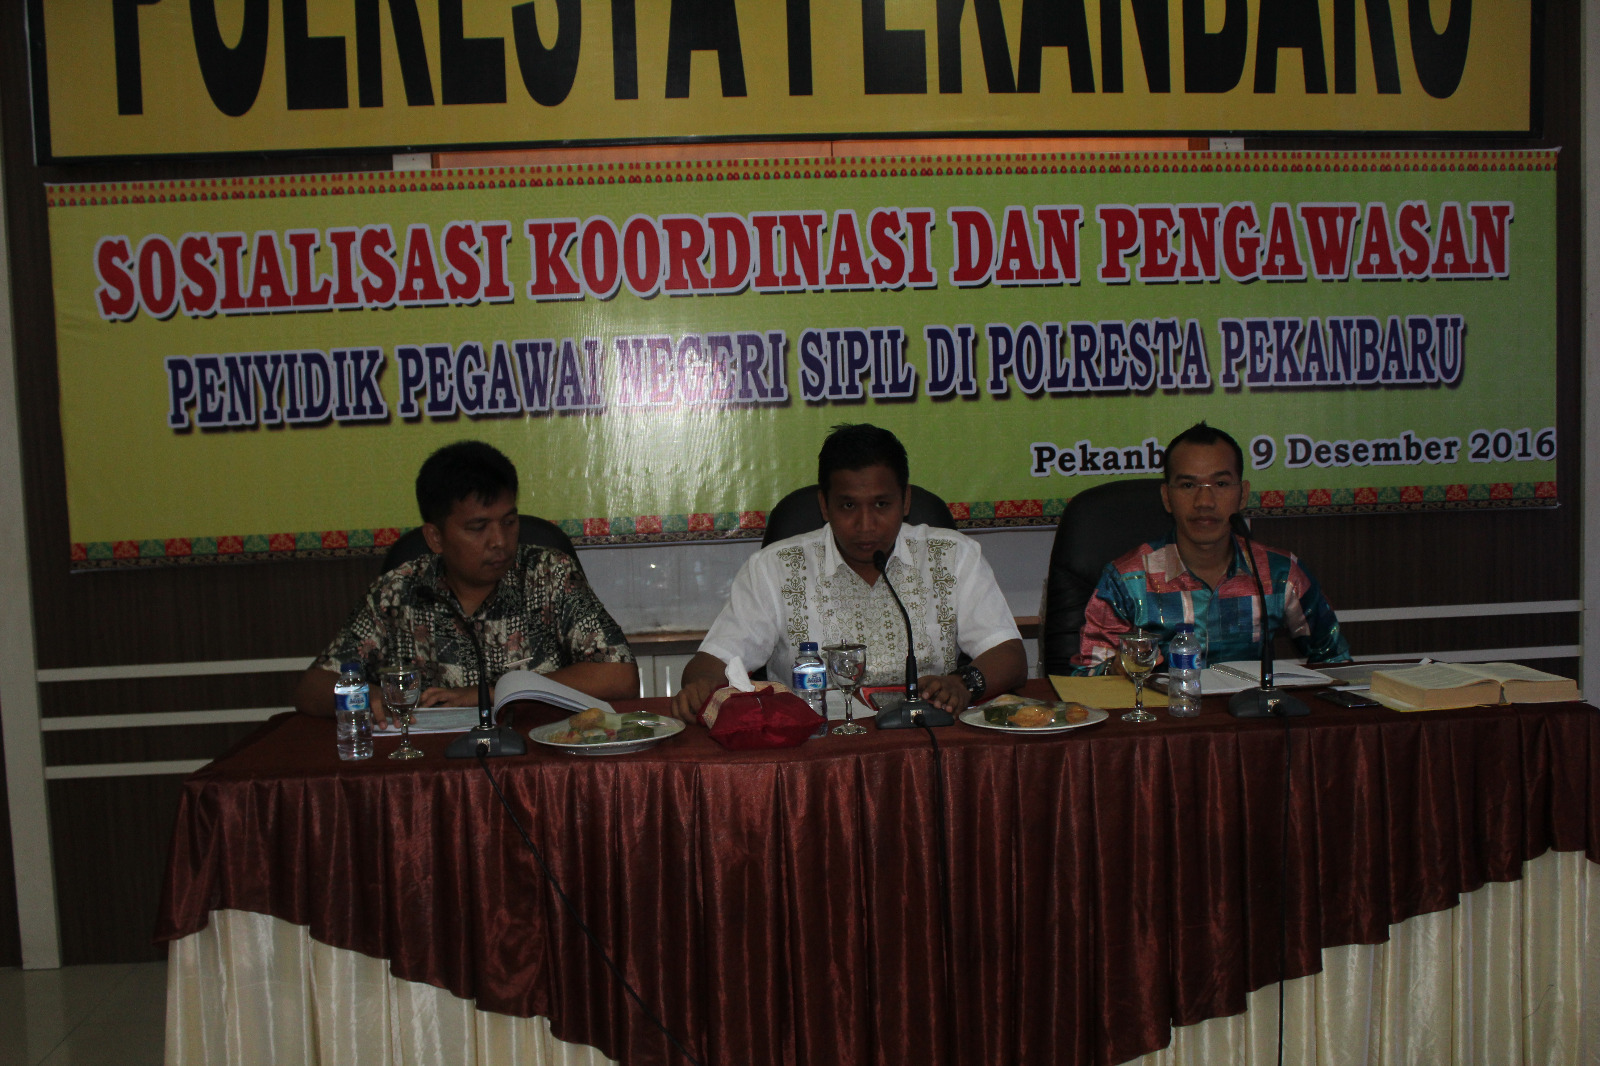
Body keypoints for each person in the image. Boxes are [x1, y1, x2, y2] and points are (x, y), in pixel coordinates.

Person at [669, 423, 1027, 722]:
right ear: (825, 506)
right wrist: (702, 687)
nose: (865, 524)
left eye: (882, 504)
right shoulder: (773, 569)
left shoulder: (953, 556)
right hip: (815, 750)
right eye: (848, 505)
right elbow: (710, 663)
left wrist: (963, 684)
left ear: (905, 501)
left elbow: (1009, 655)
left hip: (923, 738)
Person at [294, 440, 637, 722]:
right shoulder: (399, 590)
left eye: (509, 522)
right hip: (430, 768)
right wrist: (368, 695)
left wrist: (490, 694)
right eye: (478, 528)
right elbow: (313, 687)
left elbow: (619, 675)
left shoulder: (549, 574)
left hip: (533, 761)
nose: (499, 541)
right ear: (435, 537)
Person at [1073, 422, 1350, 673]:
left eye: (1220, 483)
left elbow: (1335, 661)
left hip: (1250, 712)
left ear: (1243, 494)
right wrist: (1118, 670)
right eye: (1188, 485)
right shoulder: (1126, 580)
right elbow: (1084, 677)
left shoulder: (1280, 574)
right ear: (1167, 498)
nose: (1204, 501)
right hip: (1165, 712)